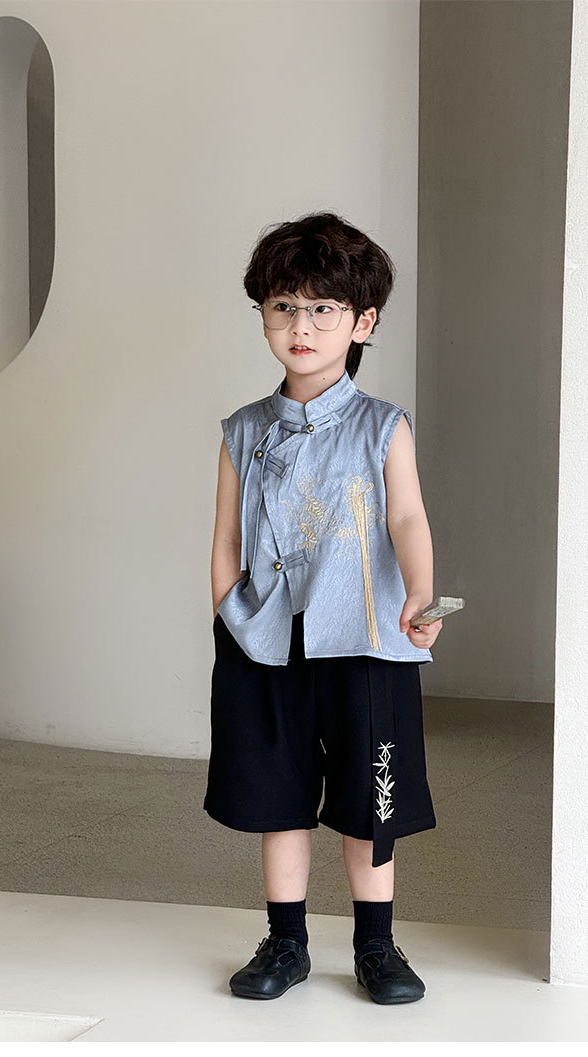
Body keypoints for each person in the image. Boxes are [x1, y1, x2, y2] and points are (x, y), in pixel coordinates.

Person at [204, 211, 443, 1006]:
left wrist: (419, 591)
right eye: (283, 306)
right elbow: (226, 536)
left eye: (322, 308)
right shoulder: (242, 430)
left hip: (366, 635)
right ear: (264, 315)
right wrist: (228, 609)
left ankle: (376, 943)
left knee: (371, 801)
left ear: (362, 321)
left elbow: (407, 518)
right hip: (266, 638)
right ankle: (286, 939)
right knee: (279, 794)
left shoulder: (382, 425)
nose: (300, 327)